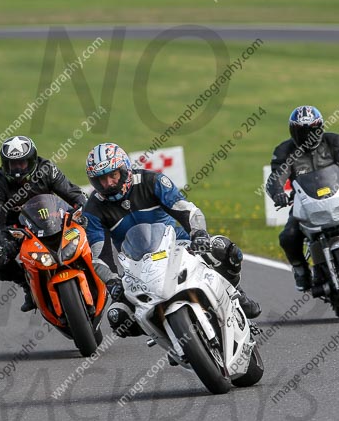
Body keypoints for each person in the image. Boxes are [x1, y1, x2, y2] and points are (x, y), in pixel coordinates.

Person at [82, 142, 262, 338]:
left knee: (223, 248)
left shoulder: (151, 180)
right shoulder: (93, 209)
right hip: (138, 266)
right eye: (101, 179)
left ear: (124, 169)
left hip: (179, 246)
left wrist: (199, 234)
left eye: (113, 175)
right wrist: (112, 282)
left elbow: (187, 210)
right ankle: (168, 335)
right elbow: (100, 255)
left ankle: (235, 294)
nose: (108, 183)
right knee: (118, 317)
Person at [266, 105, 339, 292]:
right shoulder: (284, 151)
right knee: (288, 236)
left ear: (320, 128)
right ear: (293, 131)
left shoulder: (334, 141)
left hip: (338, 198)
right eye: (302, 132)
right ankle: (300, 270)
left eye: (312, 131)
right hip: (304, 204)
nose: (308, 136)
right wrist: (278, 193)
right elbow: (275, 178)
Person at [0, 135, 87, 311]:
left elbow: (74, 193)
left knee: (89, 227)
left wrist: (81, 210)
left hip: (55, 221)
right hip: (20, 231)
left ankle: (96, 269)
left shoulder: (46, 169)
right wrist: (3, 242)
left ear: (32, 160)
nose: (17, 169)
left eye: (22, 163)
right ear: (4, 163)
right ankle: (27, 285)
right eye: (12, 164)